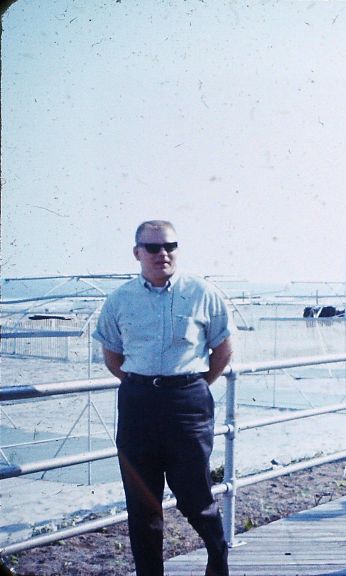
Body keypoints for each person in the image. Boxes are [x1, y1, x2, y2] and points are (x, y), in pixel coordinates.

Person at [93, 220, 233, 576]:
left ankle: (218, 559)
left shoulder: (203, 292)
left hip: (188, 404)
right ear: (137, 252)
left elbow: (222, 349)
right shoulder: (120, 299)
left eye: (170, 246)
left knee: (195, 498)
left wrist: (190, 386)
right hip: (138, 406)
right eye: (153, 248)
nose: (163, 254)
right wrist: (144, 385)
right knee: (142, 506)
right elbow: (112, 355)